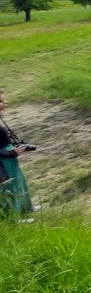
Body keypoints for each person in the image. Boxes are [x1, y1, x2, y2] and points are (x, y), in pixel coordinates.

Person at [0, 91, 37, 219]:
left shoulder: (0, 117)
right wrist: (10, 153)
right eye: (1, 101)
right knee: (9, 187)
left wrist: (15, 149)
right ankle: (13, 219)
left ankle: (26, 209)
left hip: (9, 156)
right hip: (4, 159)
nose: (5, 103)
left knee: (19, 182)